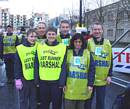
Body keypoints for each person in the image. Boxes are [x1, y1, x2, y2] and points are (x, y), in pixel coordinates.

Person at [35, 27, 67, 109]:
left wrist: (62, 82)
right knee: (44, 105)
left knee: (56, 105)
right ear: (46, 35)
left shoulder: (62, 47)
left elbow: (64, 66)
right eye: (49, 34)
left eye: (53, 34)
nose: (51, 36)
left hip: (56, 82)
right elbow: (36, 64)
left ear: (56, 35)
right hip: (43, 81)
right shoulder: (39, 46)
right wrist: (36, 79)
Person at [64, 33, 95, 109]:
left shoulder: (87, 53)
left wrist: (90, 84)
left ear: (82, 42)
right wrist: (63, 83)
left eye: (79, 42)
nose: (78, 43)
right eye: (76, 41)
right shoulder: (68, 52)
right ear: (72, 42)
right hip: (70, 87)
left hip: (83, 87)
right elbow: (64, 70)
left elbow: (92, 70)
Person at [87, 23, 113, 109]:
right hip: (90, 78)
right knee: (87, 102)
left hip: (102, 79)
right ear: (92, 31)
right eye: (95, 29)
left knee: (100, 102)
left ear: (102, 30)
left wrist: (109, 75)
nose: (97, 31)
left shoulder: (107, 43)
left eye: (99, 29)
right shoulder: (88, 42)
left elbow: (110, 59)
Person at [14, 29, 37, 109]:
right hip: (24, 78)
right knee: (23, 100)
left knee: (33, 100)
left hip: (35, 79)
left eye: (35, 36)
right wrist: (17, 79)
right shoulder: (20, 48)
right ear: (27, 37)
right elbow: (17, 64)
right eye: (31, 36)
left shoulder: (38, 46)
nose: (33, 38)